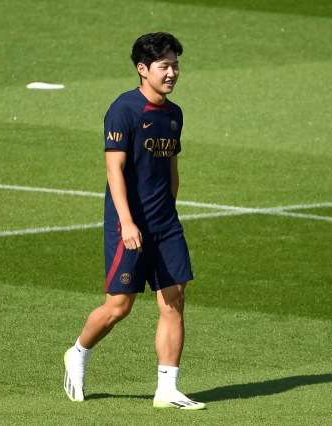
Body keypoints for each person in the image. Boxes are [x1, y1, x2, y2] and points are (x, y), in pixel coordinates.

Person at [63, 32, 205, 410]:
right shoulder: (123, 110)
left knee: (174, 301)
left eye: (175, 65)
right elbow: (114, 171)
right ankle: (78, 353)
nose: (172, 72)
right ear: (143, 70)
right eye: (164, 66)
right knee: (118, 307)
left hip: (165, 225)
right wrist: (127, 223)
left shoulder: (174, 115)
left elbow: (172, 170)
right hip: (128, 224)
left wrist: (168, 215)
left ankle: (167, 389)